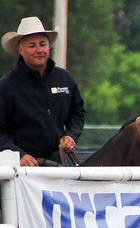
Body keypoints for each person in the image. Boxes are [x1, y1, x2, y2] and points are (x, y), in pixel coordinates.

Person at [0, 16, 85, 166]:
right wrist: (19, 155)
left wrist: (71, 136)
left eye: (42, 44)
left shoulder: (65, 79)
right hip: (21, 166)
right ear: (21, 50)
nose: (39, 50)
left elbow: (77, 113)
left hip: (60, 159)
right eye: (32, 46)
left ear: (48, 47)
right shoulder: (7, 86)